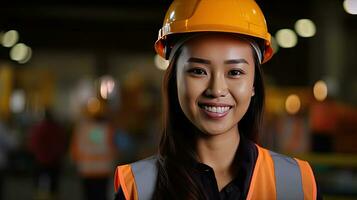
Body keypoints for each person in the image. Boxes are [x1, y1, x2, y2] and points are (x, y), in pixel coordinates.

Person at [114, 0, 321, 199]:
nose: (216, 89)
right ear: (173, 81)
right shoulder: (137, 188)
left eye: (235, 72)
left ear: (254, 85)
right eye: (198, 71)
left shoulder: (298, 184)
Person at [28, 109, 66, 199]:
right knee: (54, 184)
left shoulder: (38, 128)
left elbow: (33, 143)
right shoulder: (58, 129)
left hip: (40, 160)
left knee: (38, 184)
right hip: (54, 160)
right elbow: (62, 143)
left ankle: (40, 196)